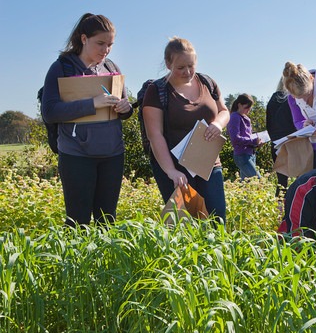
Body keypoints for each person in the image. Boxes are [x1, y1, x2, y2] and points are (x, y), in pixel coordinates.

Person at [41, 13, 133, 227]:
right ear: (83, 39)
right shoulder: (61, 68)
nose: (105, 50)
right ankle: (77, 261)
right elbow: (50, 112)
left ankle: (103, 261)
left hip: (112, 154)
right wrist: (93, 104)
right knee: (77, 221)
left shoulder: (112, 68)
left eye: (110, 44)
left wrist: (125, 108)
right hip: (76, 155)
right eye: (100, 43)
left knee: (107, 221)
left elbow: (125, 108)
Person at [142, 37, 230, 224]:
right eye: (181, 67)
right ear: (168, 63)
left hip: (208, 163)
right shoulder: (157, 91)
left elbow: (223, 111)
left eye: (191, 66)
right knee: (185, 225)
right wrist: (171, 171)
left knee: (217, 221)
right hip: (175, 168)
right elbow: (154, 135)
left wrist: (217, 124)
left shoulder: (207, 82)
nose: (187, 72)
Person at [266, 78, 296, 196]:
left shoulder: (272, 100)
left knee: (282, 181)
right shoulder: (292, 99)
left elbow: (269, 124)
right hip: (292, 141)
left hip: (276, 144)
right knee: (302, 177)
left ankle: (279, 210)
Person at [227, 93, 261, 180]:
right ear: (239, 105)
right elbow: (235, 138)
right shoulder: (235, 117)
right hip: (242, 155)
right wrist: (253, 141)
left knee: (247, 186)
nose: (248, 110)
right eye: (246, 107)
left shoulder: (246, 118)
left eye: (250, 108)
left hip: (250, 154)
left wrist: (257, 143)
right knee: (257, 181)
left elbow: (247, 136)